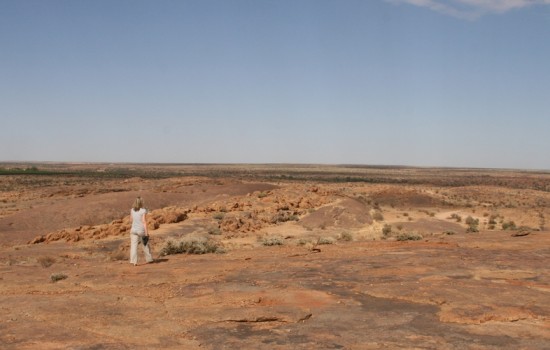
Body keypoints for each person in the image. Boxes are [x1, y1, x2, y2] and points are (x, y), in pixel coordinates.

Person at [129, 196, 153, 266]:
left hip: (133, 230)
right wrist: (146, 233)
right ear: (141, 203)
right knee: (145, 243)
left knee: (133, 246)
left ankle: (133, 261)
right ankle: (149, 259)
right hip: (141, 230)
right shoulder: (143, 210)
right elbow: (144, 222)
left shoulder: (132, 210)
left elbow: (131, 220)